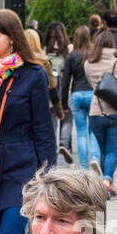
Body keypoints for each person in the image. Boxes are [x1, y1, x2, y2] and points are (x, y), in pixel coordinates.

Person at [0, 8, 58, 234]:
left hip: (21, 170)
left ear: (11, 38)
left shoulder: (33, 76)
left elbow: (43, 129)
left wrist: (48, 176)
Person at [82, 28, 117, 196]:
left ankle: (108, 185)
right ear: (112, 45)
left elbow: (94, 86)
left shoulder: (87, 64)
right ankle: (106, 181)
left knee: (104, 150)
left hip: (96, 112)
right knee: (112, 150)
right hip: (116, 113)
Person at [59, 25, 100, 172]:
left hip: (77, 94)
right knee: (93, 130)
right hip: (92, 94)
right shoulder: (94, 54)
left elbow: (65, 82)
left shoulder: (72, 56)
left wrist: (64, 103)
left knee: (81, 132)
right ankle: (95, 157)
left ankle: (83, 167)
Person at [41, 23, 74, 159]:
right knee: (67, 119)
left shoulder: (44, 50)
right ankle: (64, 143)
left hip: (49, 90)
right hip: (65, 90)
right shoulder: (69, 49)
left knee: (52, 120)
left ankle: (53, 147)